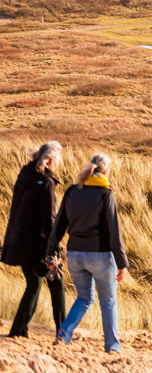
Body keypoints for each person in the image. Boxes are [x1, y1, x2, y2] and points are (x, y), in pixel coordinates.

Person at [46, 153, 127, 353]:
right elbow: (113, 233)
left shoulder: (73, 191)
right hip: (99, 255)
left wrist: (50, 251)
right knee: (108, 302)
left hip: (75, 254)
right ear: (106, 171)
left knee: (84, 298)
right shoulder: (105, 194)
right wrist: (122, 262)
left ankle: (63, 334)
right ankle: (113, 347)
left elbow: (59, 226)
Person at [2, 142, 66, 339]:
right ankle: (63, 333)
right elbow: (49, 221)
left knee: (33, 284)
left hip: (18, 241)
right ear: (52, 160)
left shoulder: (25, 175)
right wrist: (54, 247)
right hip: (36, 245)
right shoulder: (46, 183)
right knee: (57, 282)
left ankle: (18, 330)